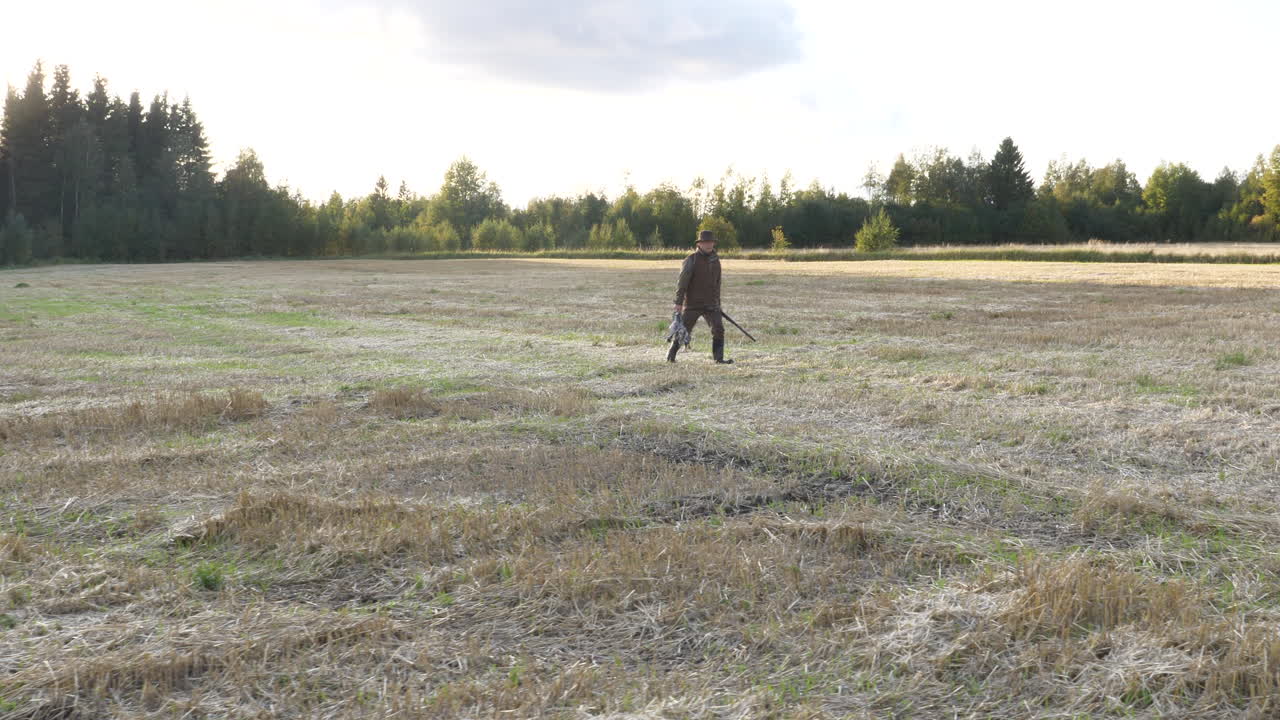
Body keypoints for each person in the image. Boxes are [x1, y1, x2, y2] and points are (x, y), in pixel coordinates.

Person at [668, 229, 733, 364]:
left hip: (711, 304)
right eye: (705, 242)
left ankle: (719, 359)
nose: (709, 245)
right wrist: (679, 303)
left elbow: (717, 284)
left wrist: (718, 304)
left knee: (719, 329)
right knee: (683, 331)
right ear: (699, 244)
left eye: (710, 242)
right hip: (693, 304)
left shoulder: (716, 260)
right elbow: (682, 283)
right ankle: (671, 357)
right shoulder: (691, 260)